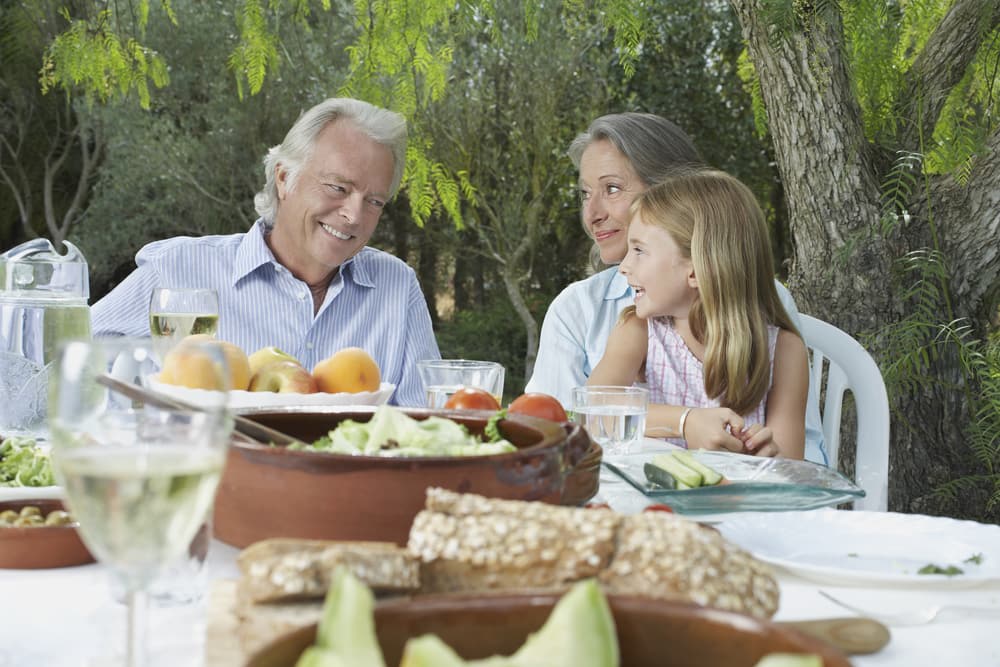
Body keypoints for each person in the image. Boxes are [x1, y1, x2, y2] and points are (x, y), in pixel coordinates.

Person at [91, 97, 440, 406]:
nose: (353, 214)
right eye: (338, 187)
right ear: (284, 178)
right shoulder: (177, 270)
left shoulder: (398, 287)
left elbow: (430, 431)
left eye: (374, 201)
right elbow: (63, 365)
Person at [525, 112, 827, 463]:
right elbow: (570, 424)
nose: (590, 214)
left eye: (611, 189)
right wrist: (684, 422)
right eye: (585, 193)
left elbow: (796, 462)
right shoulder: (618, 320)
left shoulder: (776, 333)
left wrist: (765, 454)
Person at [588, 170, 807, 459]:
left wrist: (765, 455)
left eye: (639, 250)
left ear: (695, 270)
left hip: (737, 502)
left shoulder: (784, 351)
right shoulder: (639, 332)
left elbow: (791, 467)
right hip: (652, 499)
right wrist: (684, 421)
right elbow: (593, 409)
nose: (624, 266)